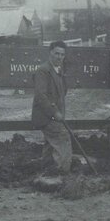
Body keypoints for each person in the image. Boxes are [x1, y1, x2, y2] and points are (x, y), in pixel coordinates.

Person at [32, 41, 73, 174]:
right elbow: (40, 95)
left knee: (51, 143)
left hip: (54, 116)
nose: (59, 57)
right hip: (47, 116)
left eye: (62, 54)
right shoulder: (43, 70)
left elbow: (61, 92)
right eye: (57, 53)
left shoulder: (59, 70)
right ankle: (62, 173)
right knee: (63, 138)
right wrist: (55, 112)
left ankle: (46, 171)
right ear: (50, 53)